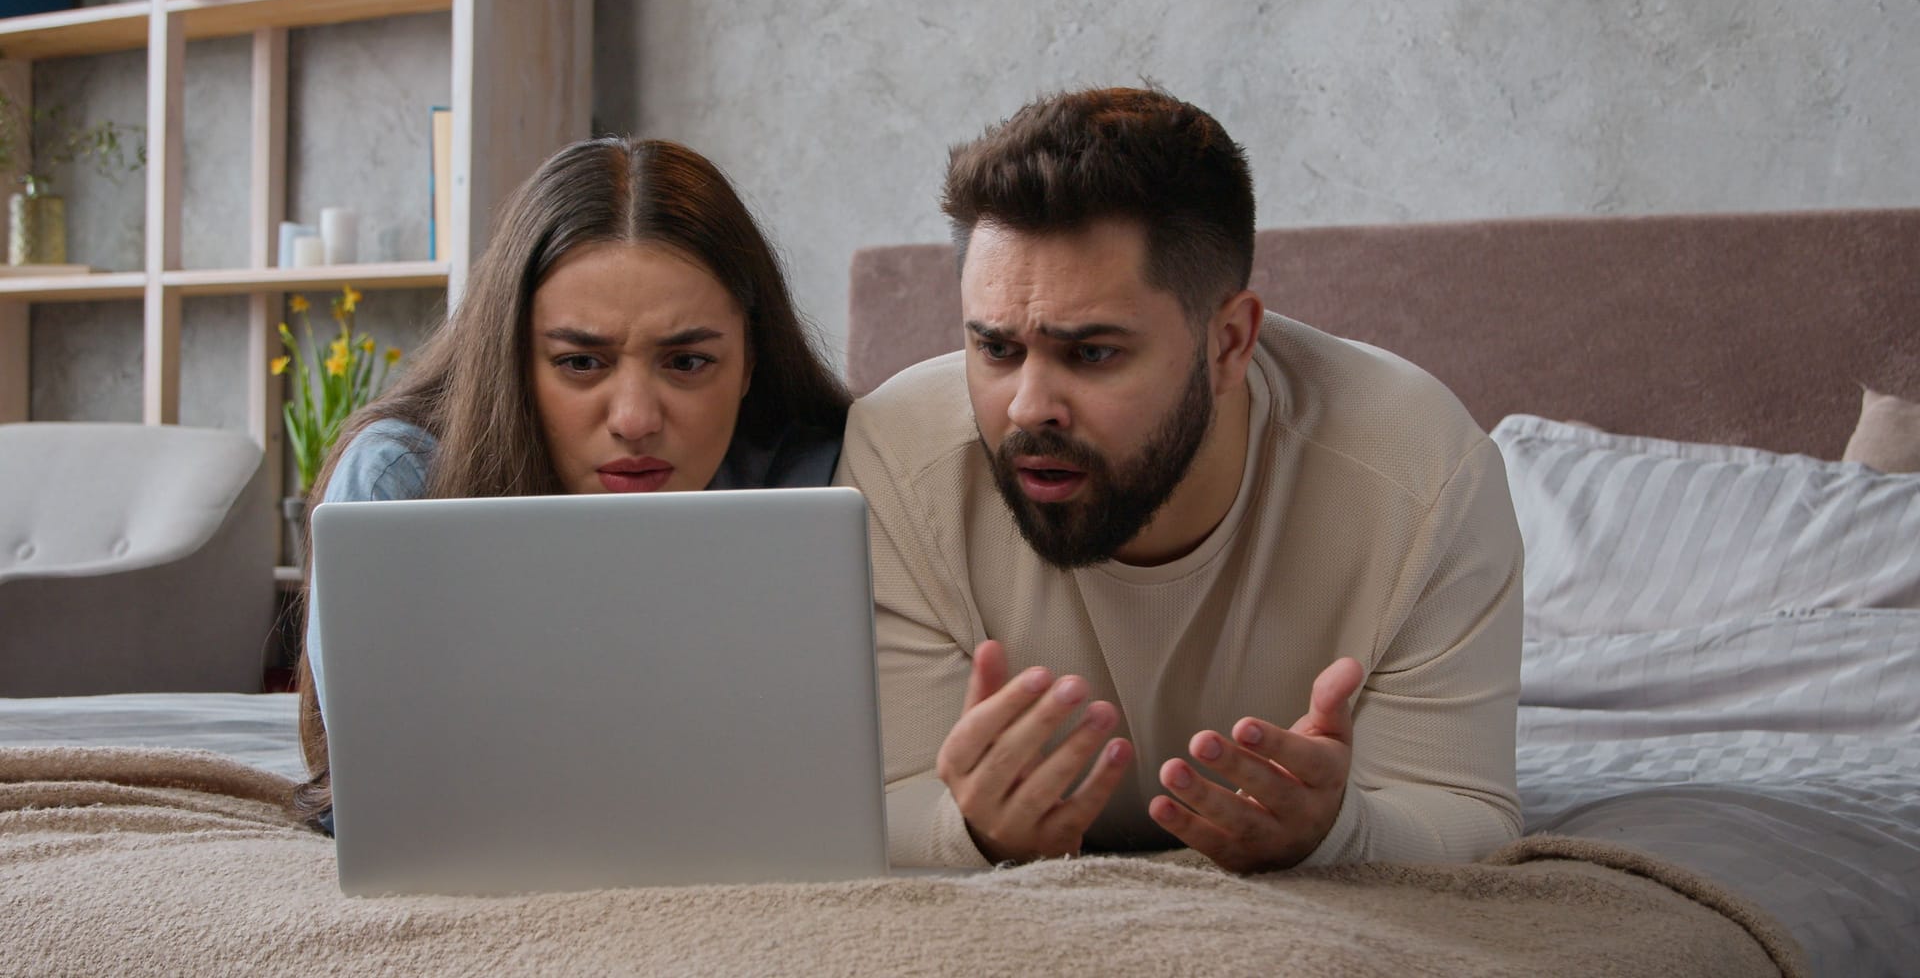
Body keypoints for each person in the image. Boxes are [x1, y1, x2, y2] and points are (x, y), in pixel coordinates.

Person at [834, 87, 1524, 872]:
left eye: (1093, 353)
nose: (1029, 408)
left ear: (1229, 342)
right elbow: (877, 805)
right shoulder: (898, 461)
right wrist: (975, 834)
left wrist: (1338, 834)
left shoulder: (1420, 470)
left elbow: (1467, 810)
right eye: (995, 349)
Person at [293, 136, 850, 830]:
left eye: (688, 362)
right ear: (513, 362)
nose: (635, 420)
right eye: (582, 362)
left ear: (750, 360)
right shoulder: (400, 484)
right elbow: (374, 801)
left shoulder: (825, 480)